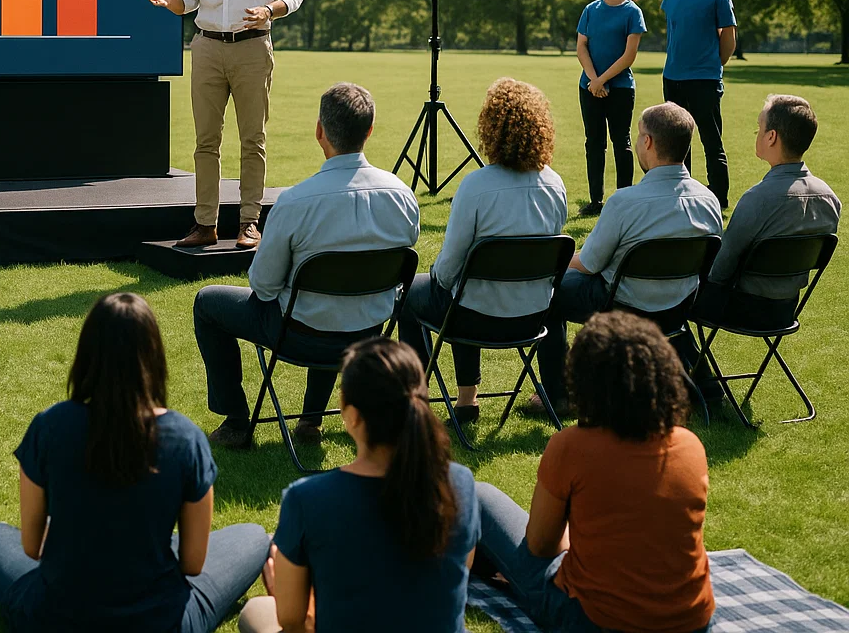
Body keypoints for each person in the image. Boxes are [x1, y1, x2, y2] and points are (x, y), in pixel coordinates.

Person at [0, 293, 269, 632]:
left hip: (55, 618)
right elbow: (193, 562)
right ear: (154, 357)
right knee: (256, 536)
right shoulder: (185, 438)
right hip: (162, 621)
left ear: (87, 354)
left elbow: (32, 547)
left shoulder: (50, 426)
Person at [193, 83, 420, 449]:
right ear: (369, 131)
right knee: (336, 293)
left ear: (320, 131)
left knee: (208, 303)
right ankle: (310, 420)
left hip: (299, 335)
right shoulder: (401, 195)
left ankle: (236, 422)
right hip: (367, 334)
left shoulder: (296, 202)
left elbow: (263, 287)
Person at [474, 312, 714, 632]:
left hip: (593, 621)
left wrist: (574, 537)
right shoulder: (690, 445)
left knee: (478, 494)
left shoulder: (571, 447)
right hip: (692, 623)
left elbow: (541, 546)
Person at [237, 338, 480, 633]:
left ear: (351, 415)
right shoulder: (461, 483)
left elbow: (291, 620)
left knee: (256, 611)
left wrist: (302, 604)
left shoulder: (307, 500)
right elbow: (454, 584)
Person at [144, 0, 303, 250]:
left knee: (253, 140)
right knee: (205, 142)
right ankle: (205, 224)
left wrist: (269, 9)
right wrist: (172, 3)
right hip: (208, 48)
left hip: (252, 48)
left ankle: (250, 223)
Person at [394, 79, 567, 423]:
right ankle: (557, 393)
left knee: (414, 292)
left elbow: (447, 271)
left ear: (491, 128)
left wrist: (437, 274)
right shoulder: (555, 184)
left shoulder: (476, 186)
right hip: (534, 316)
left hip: (474, 316)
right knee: (471, 285)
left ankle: (420, 402)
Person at [538, 102, 723, 411]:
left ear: (647, 142)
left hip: (623, 305)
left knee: (548, 291)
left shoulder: (625, 201)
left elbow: (589, 263)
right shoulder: (708, 200)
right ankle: (703, 385)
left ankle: (560, 394)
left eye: (639, 136)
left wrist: (555, 260)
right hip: (677, 306)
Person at [681, 95, 840, 381]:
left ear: (771, 136)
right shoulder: (830, 198)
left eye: (758, 128)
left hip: (743, 308)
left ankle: (702, 385)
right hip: (786, 307)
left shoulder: (758, 199)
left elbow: (720, 272)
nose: (756, 134)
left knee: (665, 295)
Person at [661, 0, 738, 207]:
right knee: (677, 143)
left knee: (711, 141)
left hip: (704, 80)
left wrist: (714, 63)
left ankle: (719, 198)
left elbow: (728, 38)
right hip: (672, 78)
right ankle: (683, 195)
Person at [575, 0, 646, 217]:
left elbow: (629, 56)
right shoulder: (590, 10)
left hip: (620, 89)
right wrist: (593, 80)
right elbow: (581, 46)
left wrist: (602, 80)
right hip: (589, 88)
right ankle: (596, 201)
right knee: (594, 143)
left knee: (621, 141)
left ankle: (623, 199)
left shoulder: (632, 12)